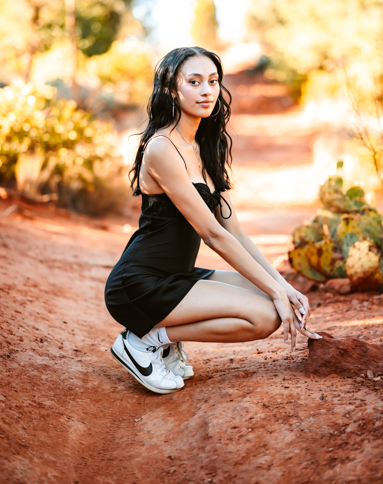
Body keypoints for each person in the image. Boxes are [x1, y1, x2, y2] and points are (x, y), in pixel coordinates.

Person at [105, 46, 321, 395]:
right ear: (172, 90)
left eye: (213, 81)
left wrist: (285, 288)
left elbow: (233, 229)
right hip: (140, 284)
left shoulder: (205, 146)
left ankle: (160, 338)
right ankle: (146, 341)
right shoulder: (162, 147)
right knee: (265, 316)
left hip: (178, 276)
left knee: (268, 296)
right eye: (194, 82)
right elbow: (212, 234)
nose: (207, 90)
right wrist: (276, 294)